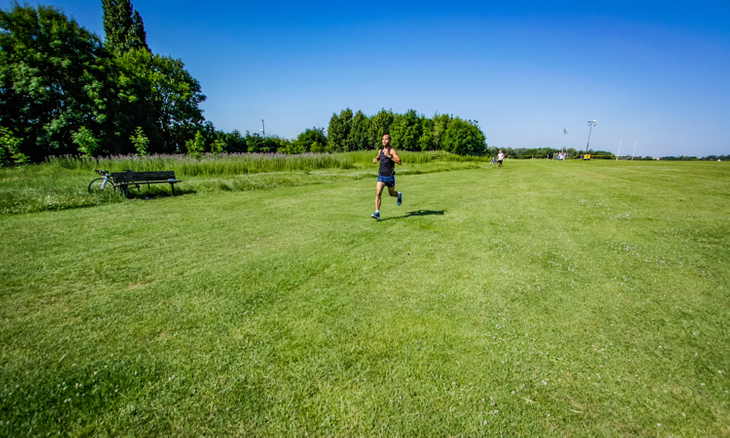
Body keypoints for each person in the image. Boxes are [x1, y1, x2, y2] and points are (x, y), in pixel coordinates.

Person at [371, 134, 402, 219]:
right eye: (383, 139)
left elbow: (399, 161)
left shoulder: (391, 150)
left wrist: (389, 156)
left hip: (390, 177)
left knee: (392, 194)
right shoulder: (380, 151)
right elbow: (378, 157)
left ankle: (398, 195)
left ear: (390, 141)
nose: (384, 141)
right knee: (378, 193)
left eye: (386, 139)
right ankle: (377, 212)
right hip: (381, 176)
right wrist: (376, 159)